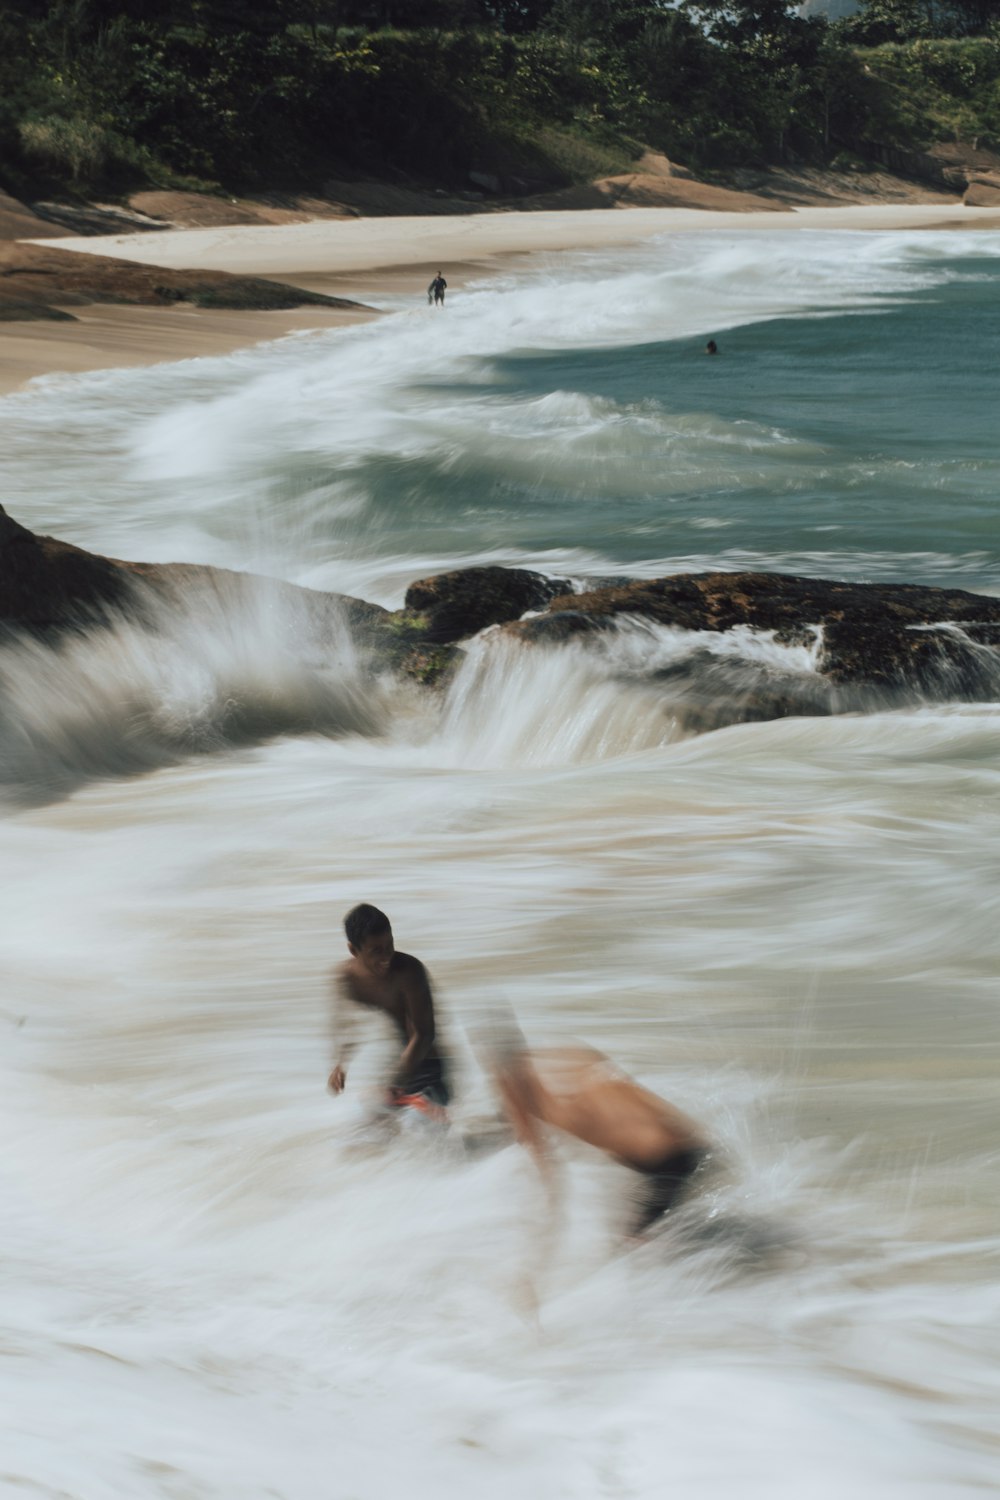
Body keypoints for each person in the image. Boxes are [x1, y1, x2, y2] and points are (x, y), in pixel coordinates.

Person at [485, 1024, 709, 1239]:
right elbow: (629, 1088)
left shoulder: (519, 1089)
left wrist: (546, 1223)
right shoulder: (568, 1057)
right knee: (654, 1232)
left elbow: (547, 1169)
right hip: (687, 1147)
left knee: (635, 1241)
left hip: (661, 1162)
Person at [327, 903, 449, 1120]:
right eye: (376, 950)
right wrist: (340, 1062)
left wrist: (394, 1080)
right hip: (394, 1064)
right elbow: (346, 1023)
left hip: (429, 1067)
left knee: (416, 1125)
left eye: (390, 945)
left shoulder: (409, 972)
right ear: (354, 950)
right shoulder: (347, 978)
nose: (386, 956)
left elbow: (424, 1034)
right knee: (359, 1127)